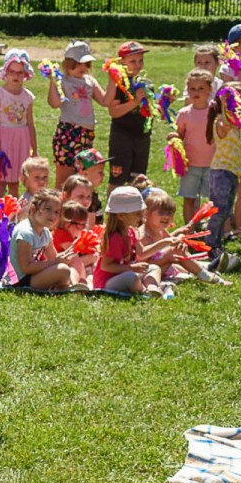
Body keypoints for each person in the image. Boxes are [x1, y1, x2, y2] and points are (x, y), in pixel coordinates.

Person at [47, 40, 114, 188]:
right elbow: (54, 103)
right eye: (78, 63)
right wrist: (53, 81)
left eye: (86, 63)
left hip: (86, 135)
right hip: (68, 132)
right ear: (68, 63)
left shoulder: (90, 81)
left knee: (82, 178)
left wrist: (112, 80)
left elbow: (105, 101)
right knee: (64, 180)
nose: (83, 67)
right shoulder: (63, 81)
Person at [139, 188, 230, 288]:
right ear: (147, 214)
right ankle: (207, 275)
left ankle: (204, 272)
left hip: (164, 267)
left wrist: (180, 237)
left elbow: (171, 243)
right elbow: (142, 260)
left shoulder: (161, 230)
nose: (166, 216)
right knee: (175, 253)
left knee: (178, 251)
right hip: (149, 273)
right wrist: (168, 253)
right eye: (161, 212)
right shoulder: (143, 235)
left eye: (169, 213)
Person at [205, 80, 241, 273]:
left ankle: (217, 242)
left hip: (231, 173)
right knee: (219, 209)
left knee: (225, 210)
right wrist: (224, 104)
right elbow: (224, 125)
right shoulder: (221, 121)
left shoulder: (237, 124)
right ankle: (211, 245)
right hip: (221, 172)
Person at [167, 68, 216, 223]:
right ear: (187, 90)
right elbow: (180, 135)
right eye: (192, 88)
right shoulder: (184, 113)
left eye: (201, 88)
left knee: (213, 199)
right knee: (189, 198)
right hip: (190, 163)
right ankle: (189, 227)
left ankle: (212, 227)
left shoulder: (216, 111)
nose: (196, 92)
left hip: (213, 163)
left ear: (210, 89)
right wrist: (173, 138)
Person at [94, 186, 162, 295]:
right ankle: (144, 291)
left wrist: (166, 242)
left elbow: (142, 252)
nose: (141, 218)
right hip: (107, 282)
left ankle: (152, 288)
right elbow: (105, 266)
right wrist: (131, 268)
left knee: (154, 268)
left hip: (124, 273)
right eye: (137, 214)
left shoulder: (131, 231)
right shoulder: (115, 238)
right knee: (131, 278)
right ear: (121, 216)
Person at [0, 49, 37, 197]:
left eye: (20, 72)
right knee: (0, 180)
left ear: (25, 74)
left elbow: (30, 123)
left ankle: (12, 216)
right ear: (5, 73)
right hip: (3, 139)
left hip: (21, 139)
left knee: (15, 181)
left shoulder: (28, 96)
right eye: (12, 72)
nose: (16, 76)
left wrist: (34, 150)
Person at [106, 41, 153, 190]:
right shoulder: (118, 84)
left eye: (140, 60)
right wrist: (135, 102)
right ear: (121, 63)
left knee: (137, 180)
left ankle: (133, 211)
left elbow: (150, 110)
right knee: (117, 180)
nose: (137, 65)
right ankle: (113, 212)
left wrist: (163, 102)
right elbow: (113, 111)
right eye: (132, 61)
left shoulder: (146, 83)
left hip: (142, 137)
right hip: (122, 138)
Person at [9, 189, 75, 291]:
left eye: (57, 212)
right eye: (48, 209)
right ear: (33, 208)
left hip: (33, 275)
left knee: (66, 267)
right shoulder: (25, 232)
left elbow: (53, 258)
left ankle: (60, 287)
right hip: (20, 281)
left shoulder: (45, 232)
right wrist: (56, 262)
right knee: (63, 270)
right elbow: (25, 268)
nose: (53, 215)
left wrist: (64, 257)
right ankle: (60, 288)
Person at [51, 201, 96, 285]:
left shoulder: (62, 233)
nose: (83, 228)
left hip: (53, 267)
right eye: (81, 225)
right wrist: (83, 279)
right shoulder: (63, 236)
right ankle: (75, 284)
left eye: (85, 224)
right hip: (51, 268)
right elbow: (76, 261)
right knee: (72, 266)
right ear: (67, 225)